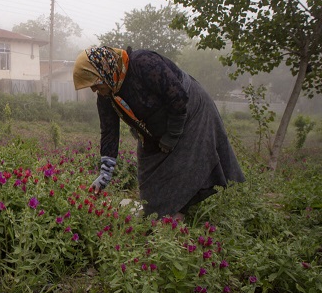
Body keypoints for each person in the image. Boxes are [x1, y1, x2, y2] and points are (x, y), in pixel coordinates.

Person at [73, 46, 245, 220]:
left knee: (185, 163)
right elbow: (109, 132)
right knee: (149, 173)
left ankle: (176, 216)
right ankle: (161, 214)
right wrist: (104, 174)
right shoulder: (107, 95)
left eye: (95, 84)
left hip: (189, 112)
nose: (94, 90)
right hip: (152, 129)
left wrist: (173, 135)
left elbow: (177, 96)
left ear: (105, 70)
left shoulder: (143, 63)